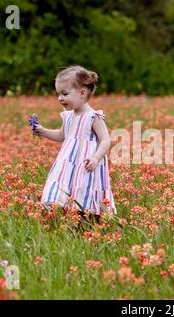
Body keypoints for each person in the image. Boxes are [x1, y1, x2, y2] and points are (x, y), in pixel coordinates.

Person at [32, 65, 117, 225]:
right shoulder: (68, 116)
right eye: (58, 94)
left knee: (84, 189)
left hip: (87, 164)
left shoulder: (94, 117)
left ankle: (89, 222)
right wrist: (42, 131)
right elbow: (62, 135)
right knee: (65, 188)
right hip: (68, 163)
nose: (60, 98)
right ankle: (69, 220)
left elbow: (106, 140)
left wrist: (96, 157)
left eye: (64, 94)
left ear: (82, 93)